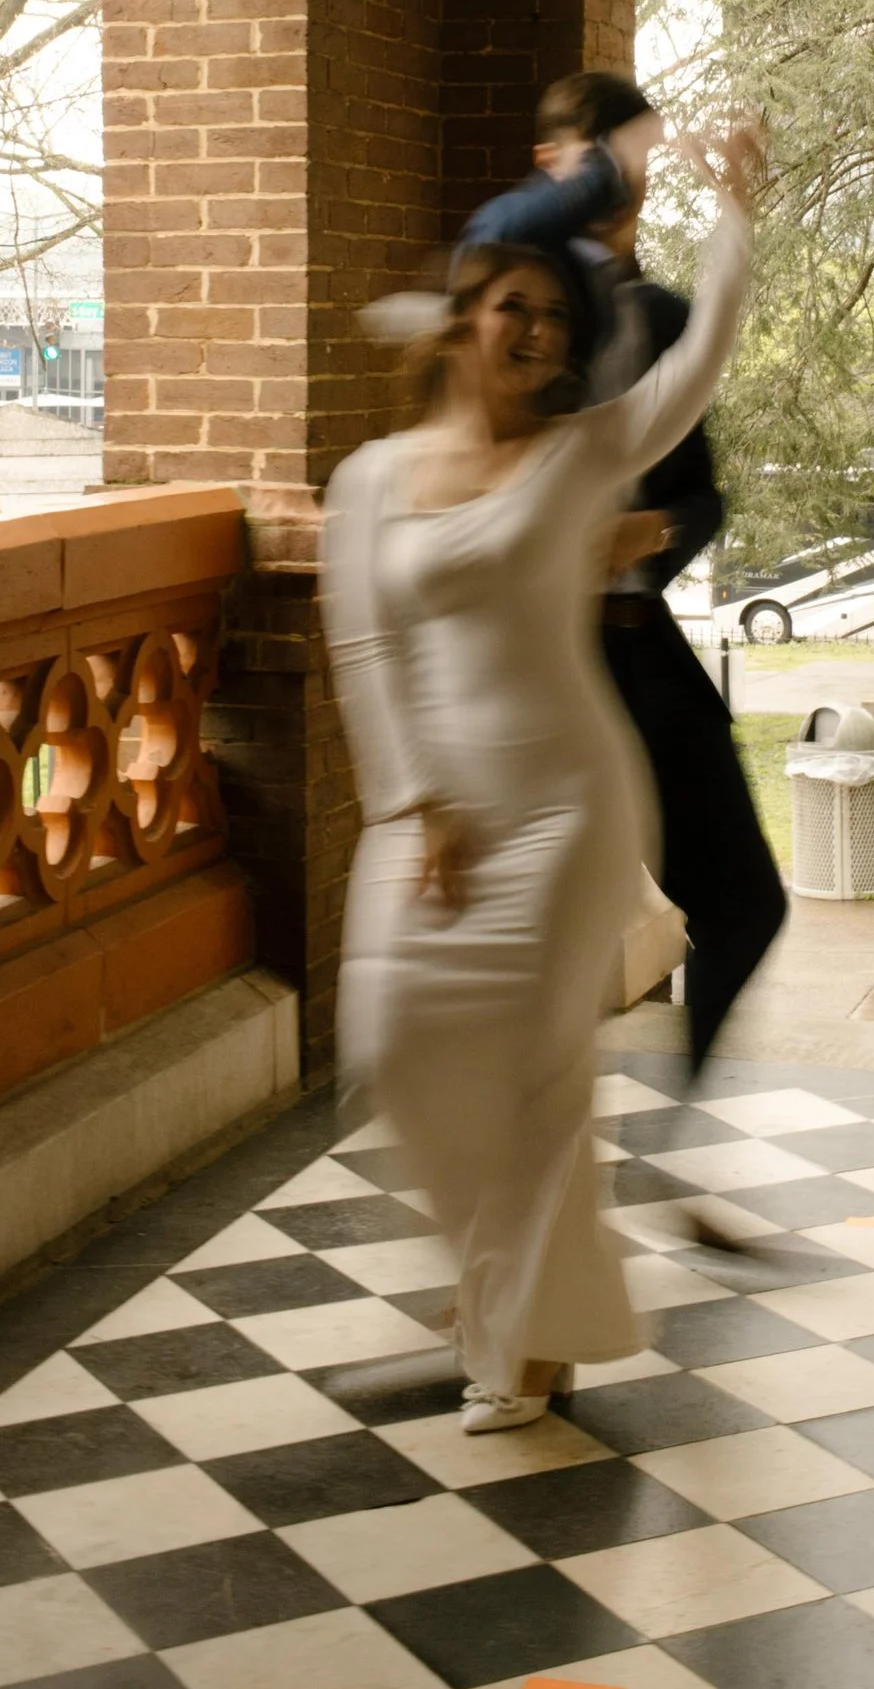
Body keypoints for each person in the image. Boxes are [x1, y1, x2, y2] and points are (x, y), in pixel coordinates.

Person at [324, 127, 764, 1430]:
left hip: (571, 803)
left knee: (538, 1072)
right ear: (465, 319)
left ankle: (516, 1339)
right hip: (433, 813)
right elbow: (364, 647)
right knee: (395, 1041)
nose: (533, 330)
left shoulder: (581, 458)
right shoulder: (371, 480)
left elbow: (701, 363)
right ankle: (521, 1294)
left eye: (554, 319)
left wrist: (734, 216)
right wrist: (415, 805)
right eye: (512, 305)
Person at [463, 74, 788, 1117]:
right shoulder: (506, 312)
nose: (607, 184)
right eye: (583, 157)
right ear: (547, 163)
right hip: (531, 669)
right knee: (524, 936)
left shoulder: (667, 318)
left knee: (745, 901)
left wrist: (652, 532)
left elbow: (701, 493)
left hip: (639, 647)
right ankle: (508, 1175)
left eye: (621, 165)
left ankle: (675, 1134)